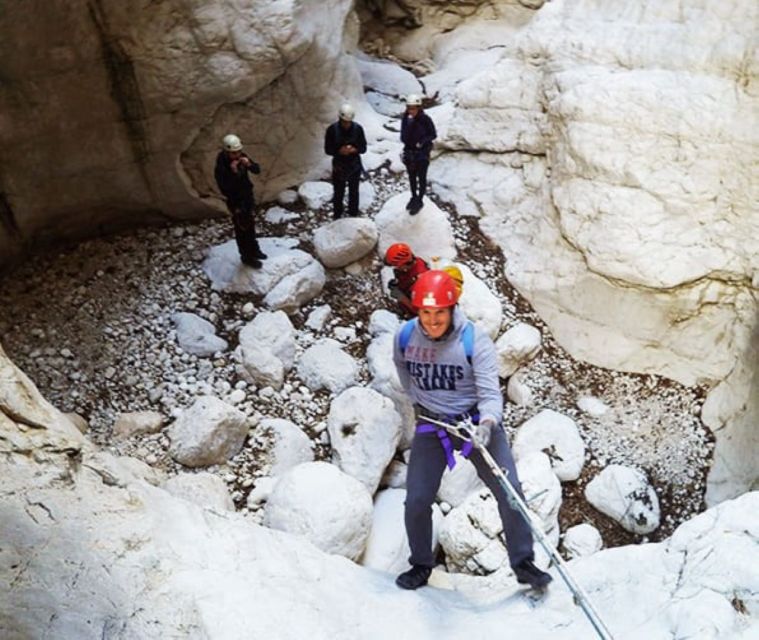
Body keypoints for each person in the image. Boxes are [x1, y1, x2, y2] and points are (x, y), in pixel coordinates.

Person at [392, 270, 552, 591]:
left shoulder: (473, 339)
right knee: (417, 500)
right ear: (417, 311)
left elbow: (491, 395)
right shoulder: (405, 337)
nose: (433, 320)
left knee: (510, 491)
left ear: (452, 309)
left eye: (439, 312)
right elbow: (404, 376)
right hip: (432, 425)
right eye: (426, 312)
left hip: (476, 423)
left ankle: (523, 563)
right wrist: (424, 405)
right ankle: (421, 564)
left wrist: (487, 424)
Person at [214, 133, 266, 268]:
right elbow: (225, 188)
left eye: (238, 152)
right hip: (235, 201)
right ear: (226, 152)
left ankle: (254, 250)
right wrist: (234, 172)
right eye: (234, 153)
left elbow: (257, 170)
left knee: (250, 225)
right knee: (242, 229)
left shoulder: (242, 157)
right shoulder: (221, 167)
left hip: (246, 196)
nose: (237, 155)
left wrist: (249, 165)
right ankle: (247, 257)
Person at [324, 103, 367, 219]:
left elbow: (363, 148)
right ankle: (337, 214)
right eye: (344, 122)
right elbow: (328, 149)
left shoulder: (358, 129)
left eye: (348, 122)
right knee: (338, 191)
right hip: (339, 165)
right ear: (340, 119)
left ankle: (353, 213)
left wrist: (354, 150)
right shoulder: (332, 130)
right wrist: (339, 151)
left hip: (354, 164)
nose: (346, 124)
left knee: (354, 191)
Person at [401, 94, 437, 215]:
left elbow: (433, 134)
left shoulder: (425, 119)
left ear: (418, 108)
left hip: (422, 153)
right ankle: (413, 196)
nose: (411, 111)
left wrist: (422, 142)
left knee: (421, 177)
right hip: (410, 151)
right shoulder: (406, 119)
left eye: (413, 108)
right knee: (411, 176)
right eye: (409, 108)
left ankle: (420, 199)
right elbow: (403, 134)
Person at [384, 242, 429, 317]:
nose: (396, 268)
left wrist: (401, 297)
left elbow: (422, 311)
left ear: (403, 265)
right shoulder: (416, 261)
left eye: (396, 266)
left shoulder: (420, 284)